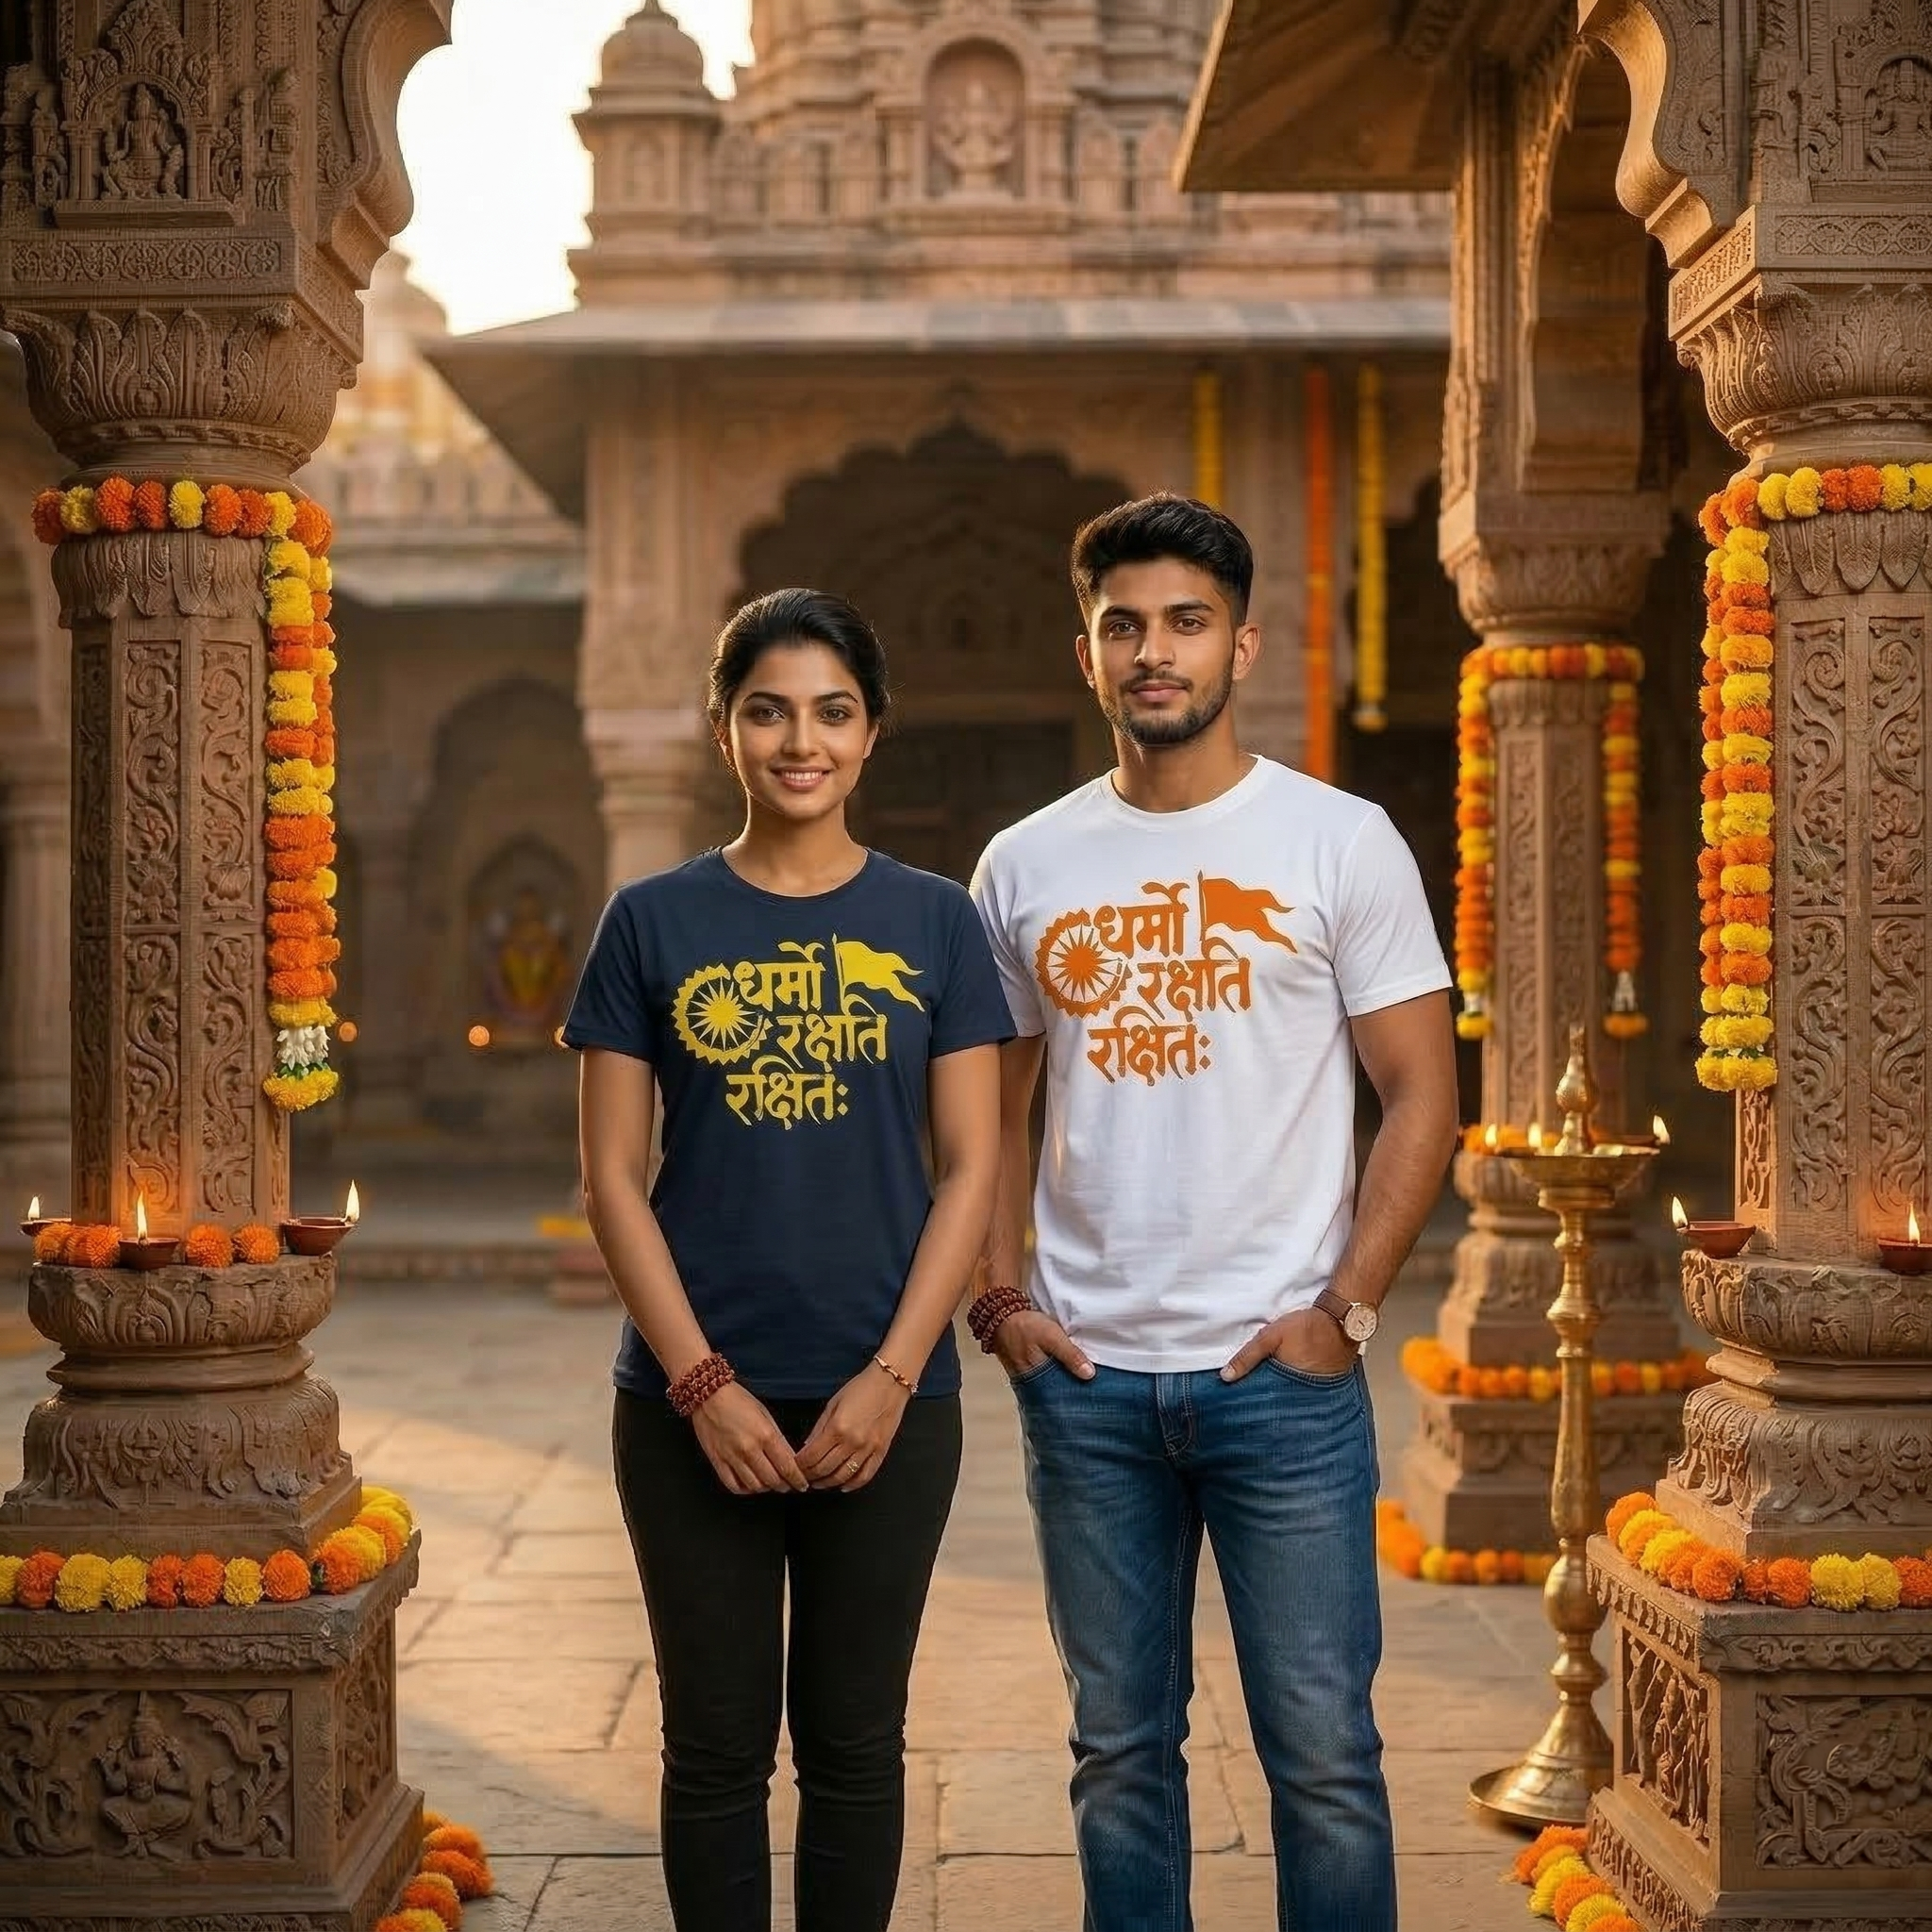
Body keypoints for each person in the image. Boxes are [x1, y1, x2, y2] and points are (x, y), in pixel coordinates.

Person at [967, 494, 1458, 1932]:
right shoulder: (1024, 865)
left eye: (1186, 622)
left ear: (1243, 646)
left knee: (1325, 1759)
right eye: (1123, 626)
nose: (1154, 652)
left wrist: (1344, 1312)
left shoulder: (1338, 843)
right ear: (1087, 654)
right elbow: (991, 1112)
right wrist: (1001, 1304)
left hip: (1282, 1385)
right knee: (1120, 1755)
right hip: (1089, 1385)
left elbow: (1421, 1096)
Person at [565, 588, 1012, 1932]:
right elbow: (610, 1180)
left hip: (889, 1408)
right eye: (768, 711)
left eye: (831, 712)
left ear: (871, 732)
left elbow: (973, 1167)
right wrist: (703, 1385)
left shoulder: (936, 923)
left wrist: (892, 1377)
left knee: (856, 1750)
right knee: (712, 1753)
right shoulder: (651, 921)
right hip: (688, 1408)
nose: (800, 741)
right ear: (724, 730)